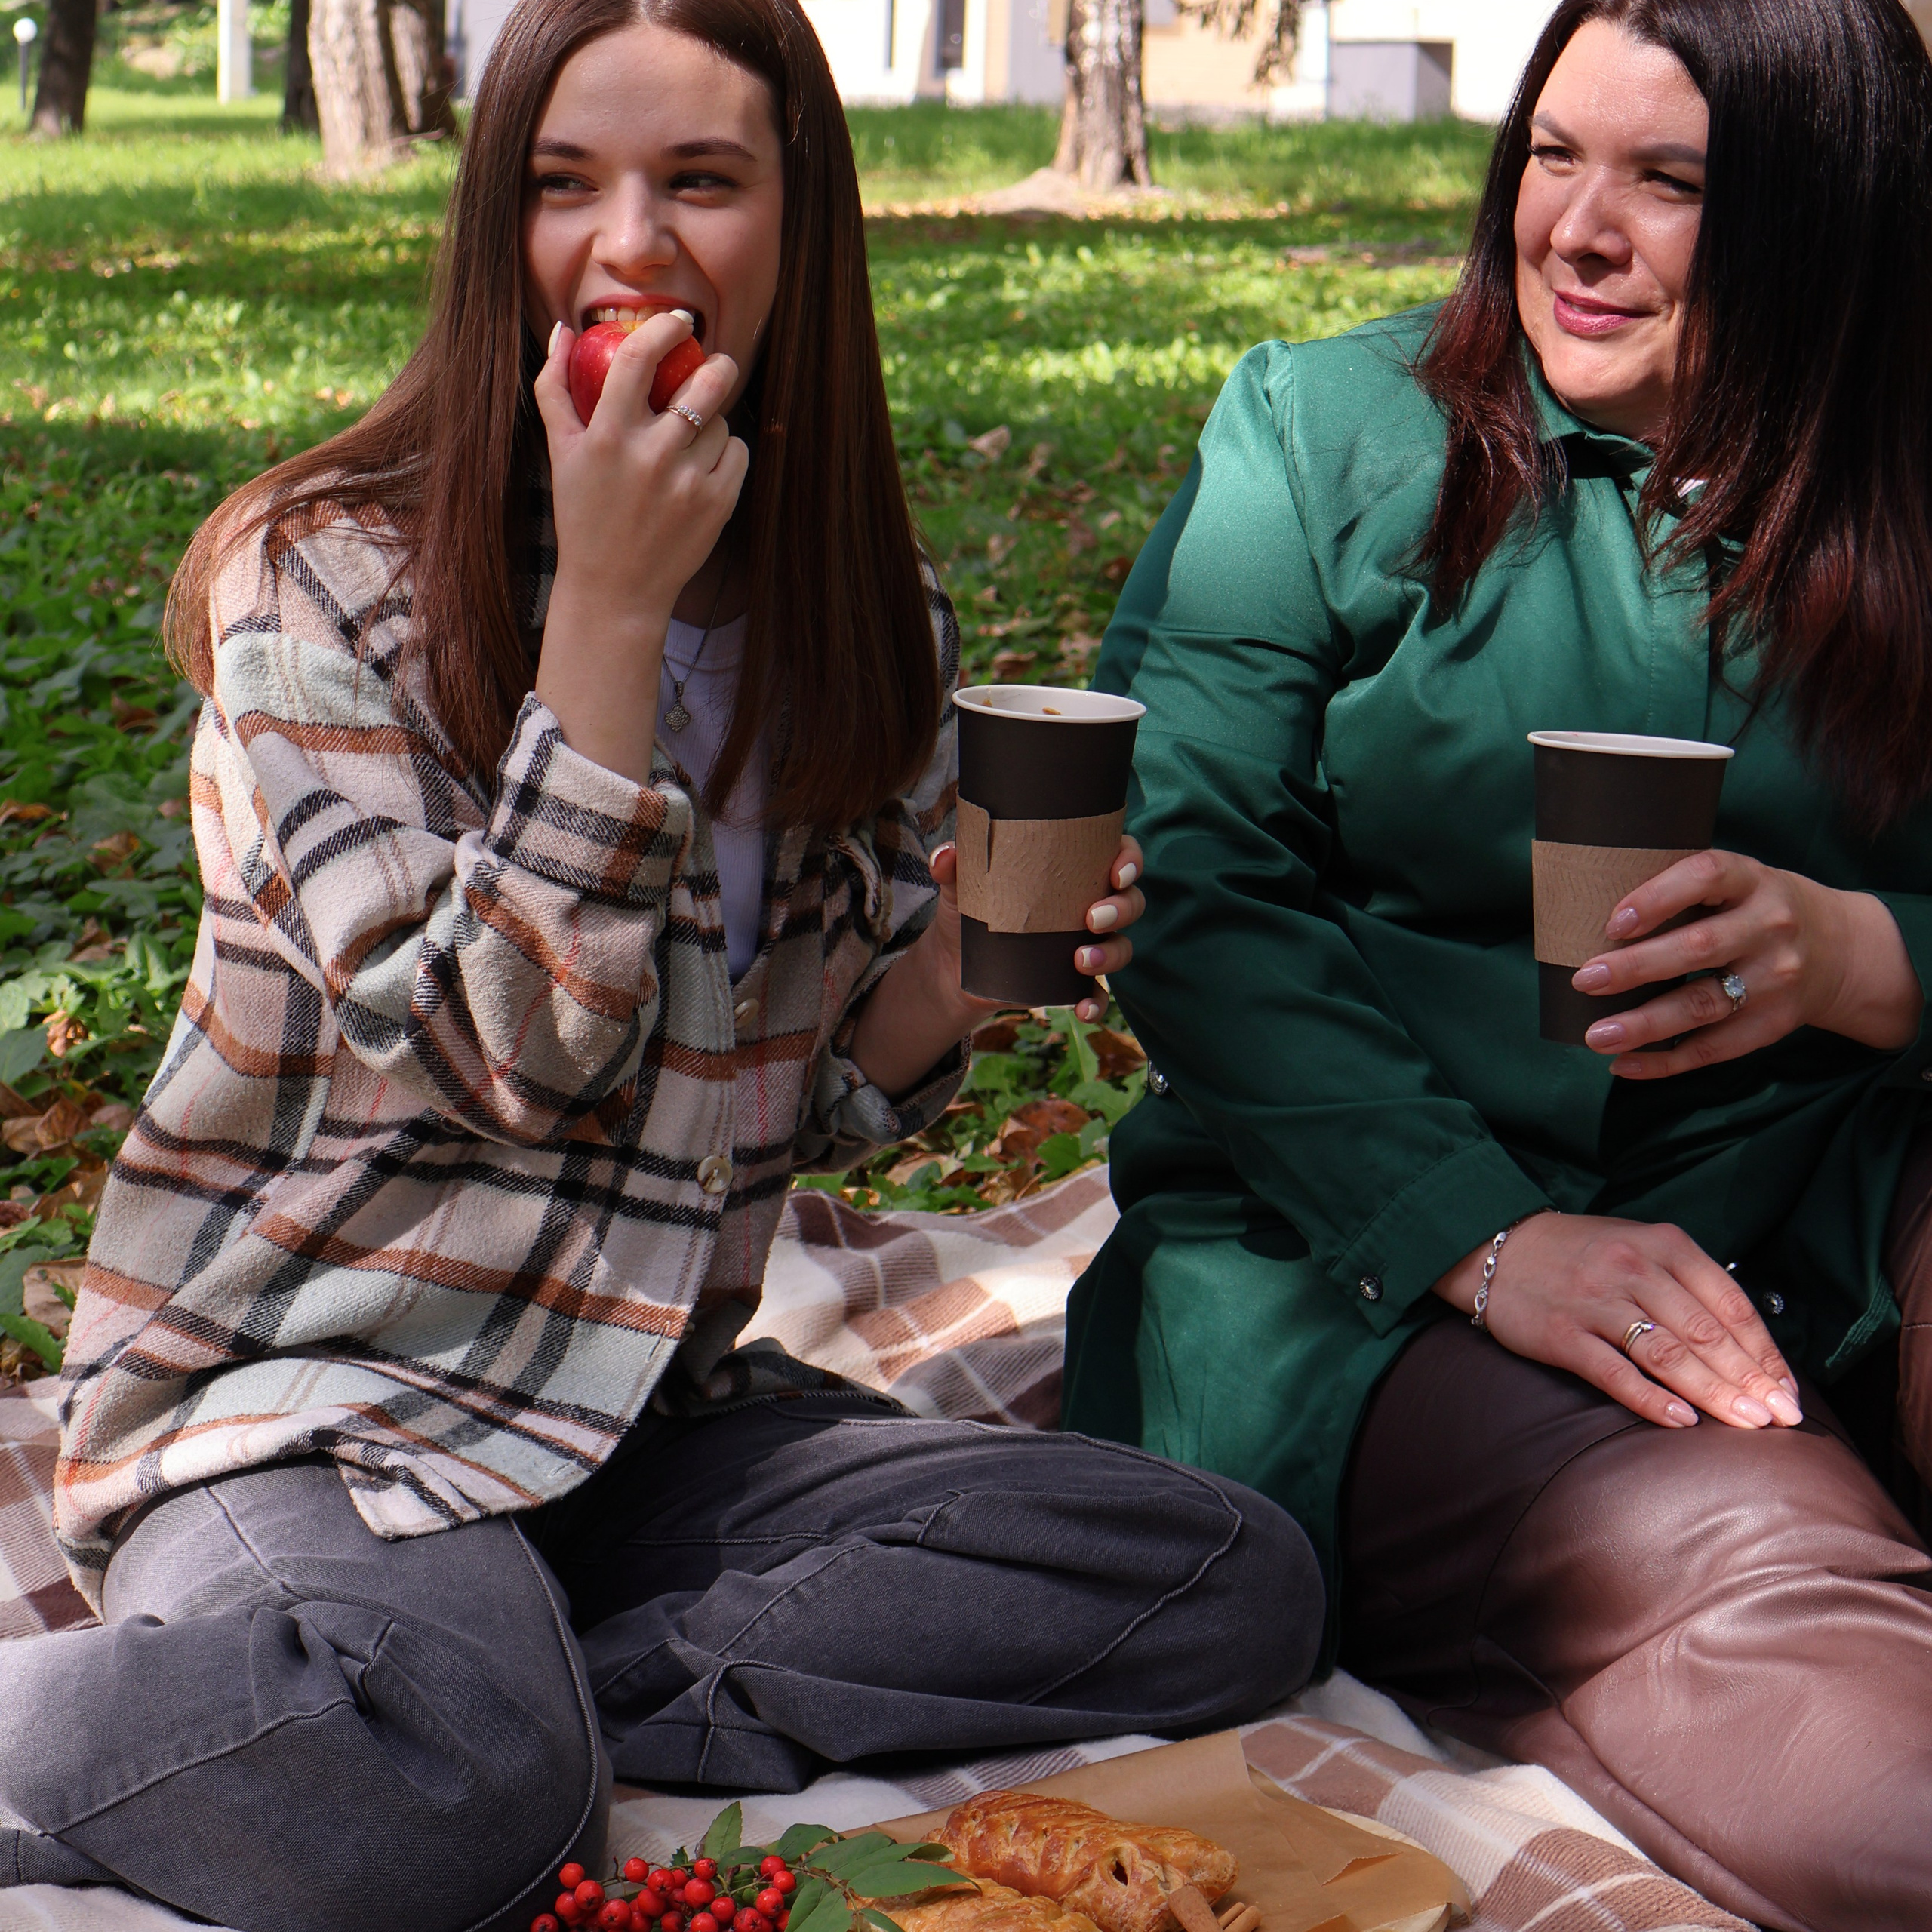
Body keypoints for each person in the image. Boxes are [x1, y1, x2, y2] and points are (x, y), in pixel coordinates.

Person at [0, 1, 1324, 1924]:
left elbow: (795, 1095)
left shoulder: (862, 621)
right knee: (462, 1795)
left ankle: (496, 1697)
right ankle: (425, 1715)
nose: (627, 245)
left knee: (1221, 1572)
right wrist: (606, 616)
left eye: (699, 180)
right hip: (308, 1409)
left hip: (632, 1415)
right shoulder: (324, 580)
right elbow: (500, 1056)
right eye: (565, 186)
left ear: (799, 226)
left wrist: (961, 969)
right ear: (498, 226)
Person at [1061, 1, 1932, 1927]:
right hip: (1360, 1261)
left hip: (1831, 1188)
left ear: (1833, 212)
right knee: (1737, 1547)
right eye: (1550, 153)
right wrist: (1480, 1236)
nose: (1574, 228)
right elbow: (1191, 882)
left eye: (1667, 180)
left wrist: (1865, 952)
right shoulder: (1321, 432)